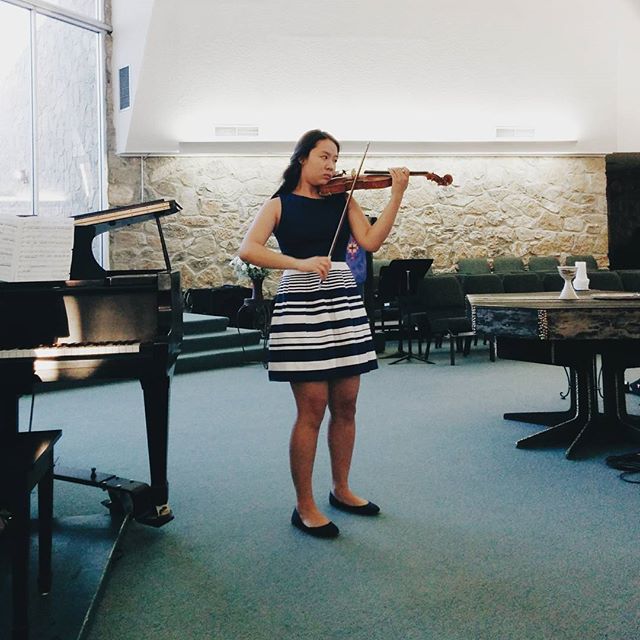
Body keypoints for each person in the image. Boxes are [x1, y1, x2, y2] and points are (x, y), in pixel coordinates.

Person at [239, 129, 409, 538]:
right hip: (301, 301)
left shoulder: (343, 199)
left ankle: (342, 488)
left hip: (343, 299)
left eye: (335, 159)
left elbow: (370, 241)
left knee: (347, 404)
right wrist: (298, 263)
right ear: (303, 159)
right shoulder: (279, 204)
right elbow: (249, 250)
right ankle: (305, 505)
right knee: (312, 408)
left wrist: (397, 195)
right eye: (325, 157)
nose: (332, 166)